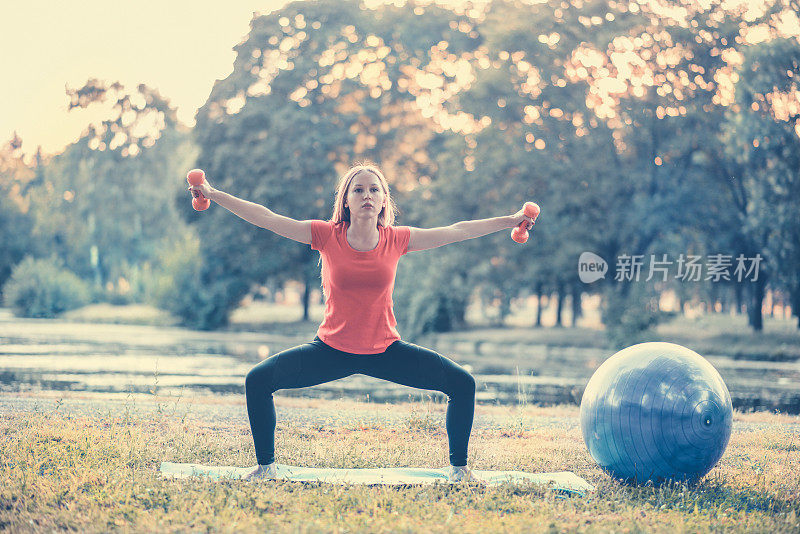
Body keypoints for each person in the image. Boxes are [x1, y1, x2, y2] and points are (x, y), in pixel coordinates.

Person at [188, 163, 535, 484]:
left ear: (384, 200)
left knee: (462, 384)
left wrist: (511, 220)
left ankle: (459, 471)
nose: (367, 195)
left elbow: (457, 230)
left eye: (374, 190)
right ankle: (266, 468)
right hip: (330, 350)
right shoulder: (326, 235)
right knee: (257, 380)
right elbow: (266, 218)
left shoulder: (396, 239)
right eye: (358, 190)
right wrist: (213, 194)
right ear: (347, 201)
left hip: (385, 349)